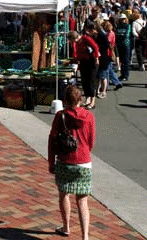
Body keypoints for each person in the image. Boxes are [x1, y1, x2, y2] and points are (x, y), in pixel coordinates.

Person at [48, 85, 96, 240]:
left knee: (64, 194)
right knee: (82, 201)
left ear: (65, 100)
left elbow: (52, 140)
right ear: (80, 99)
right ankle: (85, 236)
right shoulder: (89, 116)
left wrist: (51, 162)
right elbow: (91, 141)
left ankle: (66, 227)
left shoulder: (61, 116)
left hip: (65, 160)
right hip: (83, 161)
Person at [67, 27, 100, 109]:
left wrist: (96, 58)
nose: (71, 42)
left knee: (91, 81)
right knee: (84, 81)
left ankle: (92, 101)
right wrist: (74, 61)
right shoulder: (76, 43)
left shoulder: (86, 39)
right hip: (83, 62)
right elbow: (77, 53)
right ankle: (87, 99)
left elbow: (95, 47)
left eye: (71, 40)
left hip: (91, 61)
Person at [115, 14, 132, 81]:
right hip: (119, 44)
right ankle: (122, 74)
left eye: (123, 18)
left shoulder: (128, 26)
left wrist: (121, 35)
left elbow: (127, 34)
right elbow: (116, 34)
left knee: (126, 60)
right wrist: (120, 35)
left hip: (126, 44)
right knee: (121, 60)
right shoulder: (118, 26)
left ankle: (126, 74)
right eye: (121, 19)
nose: (122, 20)